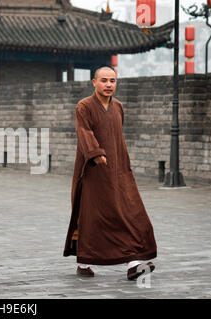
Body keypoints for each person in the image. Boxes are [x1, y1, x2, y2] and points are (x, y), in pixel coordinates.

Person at [63, 67, 157, 280]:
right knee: (93, 217)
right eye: (104, 80)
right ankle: (84, 262)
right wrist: (96, 153)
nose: (108, 85)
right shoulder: (84, 106)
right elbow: (84, 132)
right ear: (93, 82)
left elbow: (118, 138)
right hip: (92, 170)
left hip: (118, 169)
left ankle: (134, 262)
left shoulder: (118, 107)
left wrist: (123, 164)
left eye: (112, 81)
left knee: (131, 213)